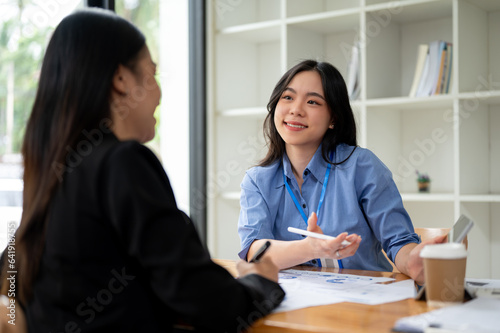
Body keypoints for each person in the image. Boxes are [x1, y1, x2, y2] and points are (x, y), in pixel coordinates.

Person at [0, 8, 284, 332]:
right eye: (152, 76)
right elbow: (208, 302)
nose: (159, 95)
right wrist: (261, 283)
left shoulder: (50, 171)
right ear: (121, 80)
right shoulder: (122, 162)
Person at [237, 60, 446, 285]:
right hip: (293, 305)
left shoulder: (362, 167)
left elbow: (398, 242)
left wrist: (412, 259)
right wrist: (308, 249)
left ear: (333, 119)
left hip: (363, 304)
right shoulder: (257, 181)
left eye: (312, 102)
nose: (296, 109)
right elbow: (255, 251)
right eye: (288, 97)